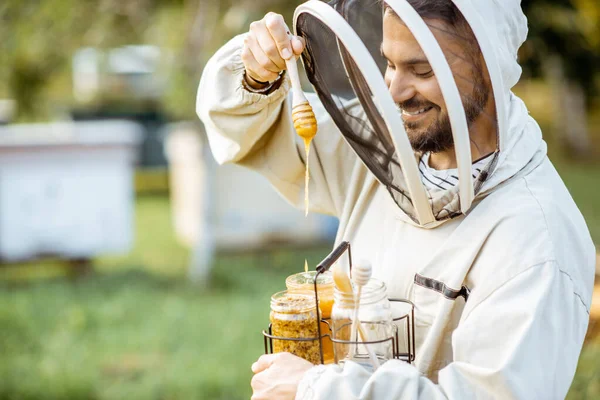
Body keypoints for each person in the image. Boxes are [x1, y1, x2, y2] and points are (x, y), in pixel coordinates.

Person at [197, 0, 596, 398]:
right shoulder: (385, 145)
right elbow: (245, 127)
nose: (395, 91)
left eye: (421, 70)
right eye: (389, 63)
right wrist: (256, 75)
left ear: (488, 64)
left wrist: (315, 388)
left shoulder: (537, 241)